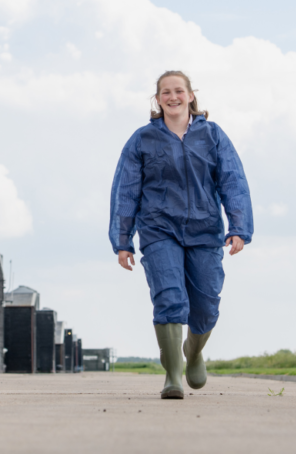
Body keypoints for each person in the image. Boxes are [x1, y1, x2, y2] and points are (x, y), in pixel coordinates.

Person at [109, 70, 253, 399]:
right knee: (170, 299)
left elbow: (233, 181)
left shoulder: (213, 135)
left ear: (190, 95)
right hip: (159, 229)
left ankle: (194, 352)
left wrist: (239, 227)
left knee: (205, 306)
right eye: (165, 92)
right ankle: (172, 377)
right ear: (158, 100)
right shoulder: (142, 140)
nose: (172, 97)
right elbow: (126, 191)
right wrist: (122, 240)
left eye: (178, 91)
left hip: (205, 230)